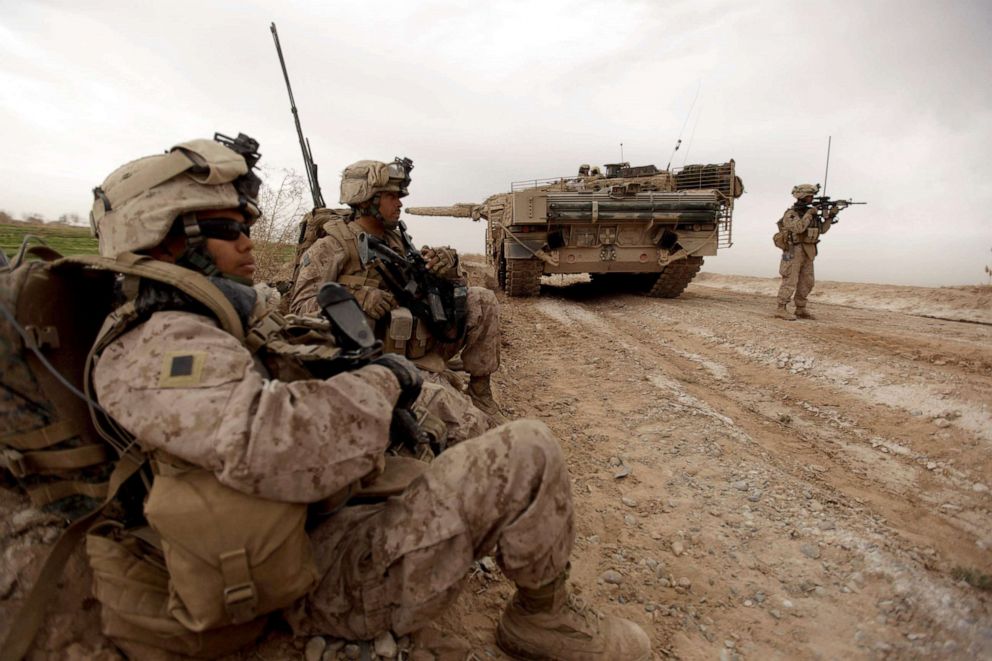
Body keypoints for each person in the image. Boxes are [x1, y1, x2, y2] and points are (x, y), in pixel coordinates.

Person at [85, 135, 651, 660]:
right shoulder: (160, 345)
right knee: (529, 452)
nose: (246, 242)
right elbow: (282, 436)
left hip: (307, 528)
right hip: (312, 577)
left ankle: (489, 482)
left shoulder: (193, 323)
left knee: (453, 410)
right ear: (164, 236)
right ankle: (542, 618)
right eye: (228, 229)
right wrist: (382, 379)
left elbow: (280, 370)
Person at [289, 159, 508, 422]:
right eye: (391, 196)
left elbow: (426, 286)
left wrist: (445, 266)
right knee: (466, 424)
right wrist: (356, 299)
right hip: (374, 360)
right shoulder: (332, 246)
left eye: (400, 196)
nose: (400, 203)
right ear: (365, 199)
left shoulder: (397, 240)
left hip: (420, 346)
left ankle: (481, 393)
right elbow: (300, 309)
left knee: (481, 299)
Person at [775, 183, 839, 320]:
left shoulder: (812, 214)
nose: (812, 198)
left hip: (809, 250)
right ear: (802, 196)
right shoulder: (791, 214)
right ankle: (781, 308)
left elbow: (822, 230)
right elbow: (798, 228)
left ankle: (801, 308)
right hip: (794, 250)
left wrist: (830, 217)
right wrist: (809, 214)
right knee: (790, 280)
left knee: (807, 281)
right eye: (810, 196)